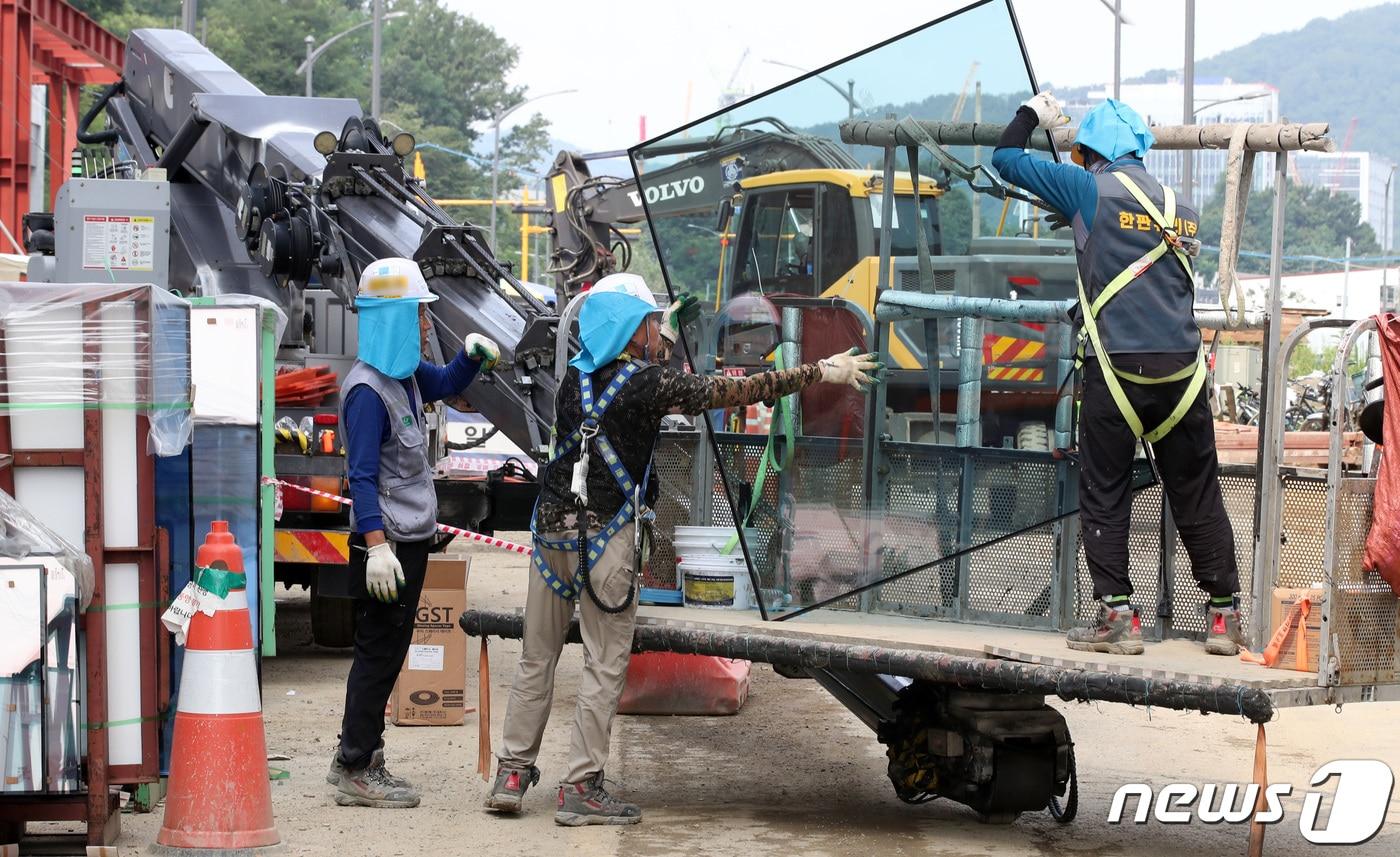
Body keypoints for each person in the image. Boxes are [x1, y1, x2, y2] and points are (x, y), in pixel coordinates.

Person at [485, 273, 882, 825]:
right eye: (650, 323)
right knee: (604, 663)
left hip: (551, 534)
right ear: (631, 328)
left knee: (537, 658)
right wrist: (819, 370)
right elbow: (728, 391)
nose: (657, 332)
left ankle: (510, 772)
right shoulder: (650, 386)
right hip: (605, 539)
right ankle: (580, 787)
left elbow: (640, 382)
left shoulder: (573, 383)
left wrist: (662, 340)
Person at [992, 95, 1245, 657]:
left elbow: (1005, 159)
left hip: (1117, 368)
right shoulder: (1182, 208)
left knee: (1106, 490)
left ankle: (1117, 617)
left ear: (1091, 152)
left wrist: (1032, 115)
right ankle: (1224, 618)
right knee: (1197, 492)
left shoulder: (1087, 190)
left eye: (1081, 152)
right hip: (1181, 372)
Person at [327, 257, 500, 808]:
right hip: (388, 549)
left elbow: (446, 382)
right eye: (419, 317)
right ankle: (357, 766)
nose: (426, 326)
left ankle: (356, 754)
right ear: (393, 319)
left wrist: (469, 359)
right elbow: (361, 477)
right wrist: (375, 547)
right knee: (379, 652)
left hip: (410, 541)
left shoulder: (403, 377)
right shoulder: (365, 392)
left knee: (388, 649)